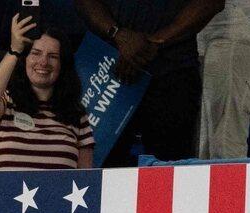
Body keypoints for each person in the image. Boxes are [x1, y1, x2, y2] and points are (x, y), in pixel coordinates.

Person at [74, 0, 222, 163]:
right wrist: (118, 34)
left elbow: (211, 3)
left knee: (171, 173)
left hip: (172, 73)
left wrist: (155, 41)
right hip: (107, 71)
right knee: (101, 172)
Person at [0, 16, 95, 172]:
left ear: (63, 65)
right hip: (2, 196)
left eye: (53, 56)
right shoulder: (5, 101)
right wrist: (15, 50)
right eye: (35, 53)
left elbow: (85, 180)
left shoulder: (76, 113)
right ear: (24, 59)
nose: (43, 62)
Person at [195, 0, 250, 159]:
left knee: (226, 141)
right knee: (207, 147)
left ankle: (229, 183)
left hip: (233, 31)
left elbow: (213, 4)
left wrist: (160, 38)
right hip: (206, 33)